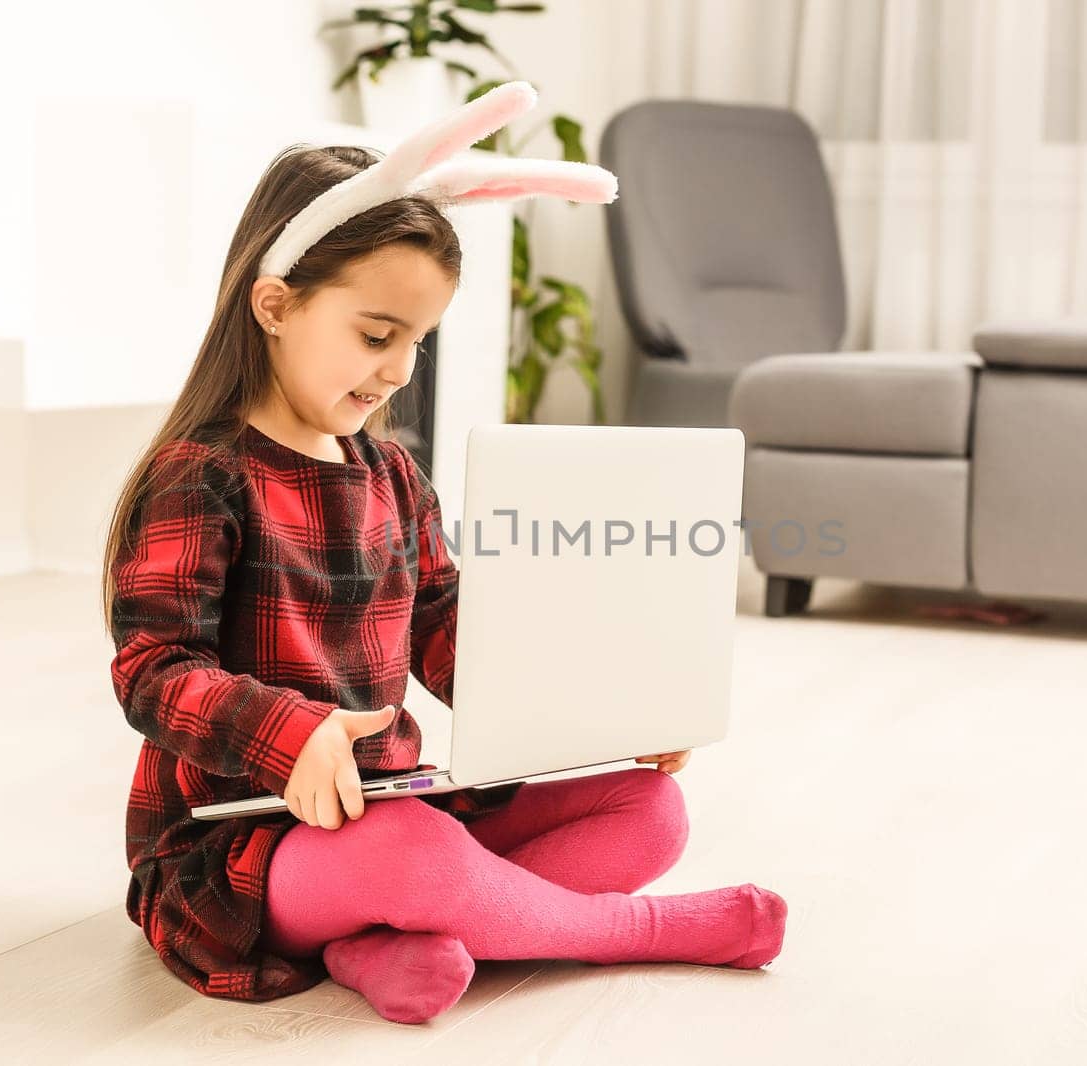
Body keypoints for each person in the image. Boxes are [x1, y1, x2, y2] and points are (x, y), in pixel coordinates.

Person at [102, 82, 787, 1025]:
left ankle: (388, 940)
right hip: (246, 847)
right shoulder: (200, 475)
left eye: (416, 342)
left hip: (402, 801)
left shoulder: (390, 473)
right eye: (376, 335)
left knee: (647, 809)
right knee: (407, 855)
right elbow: (152, 671)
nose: (396, 370)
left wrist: (597, 716)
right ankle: (632, 932)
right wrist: (291, 731)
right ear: (274, 304)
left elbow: (443, 629)